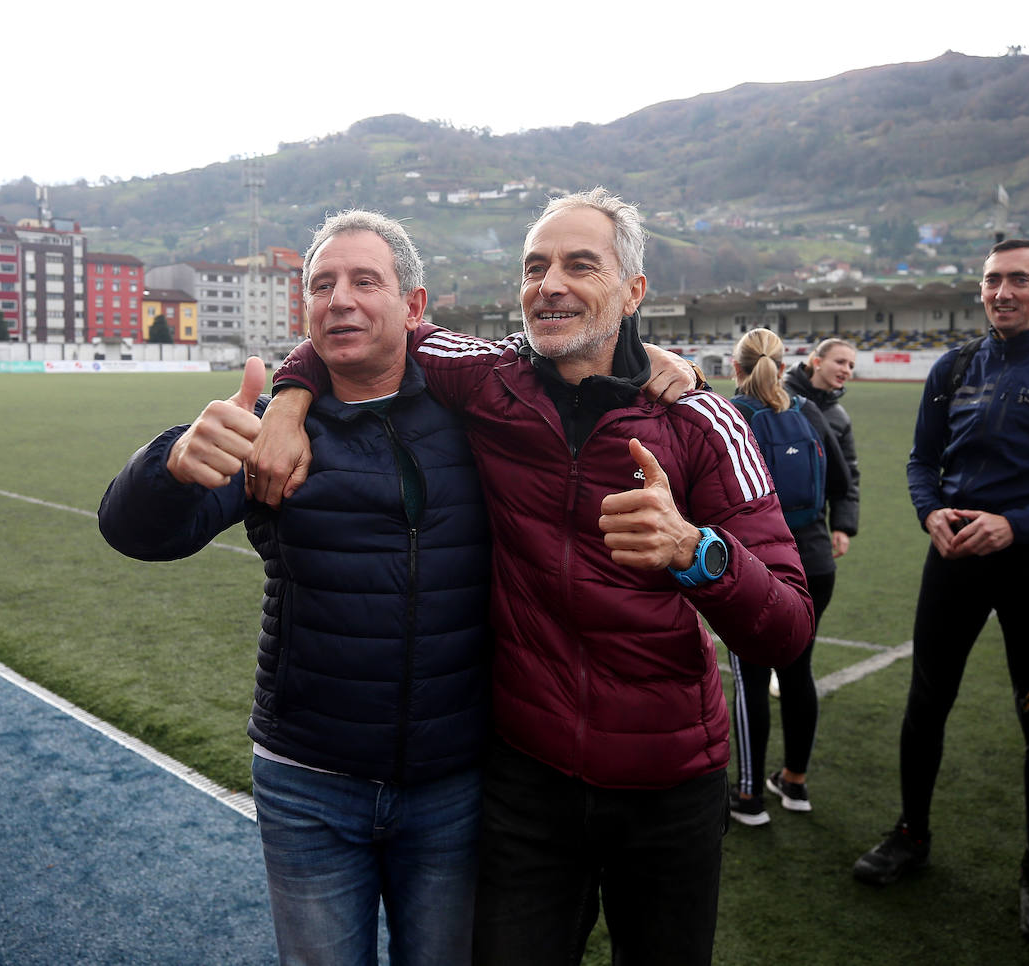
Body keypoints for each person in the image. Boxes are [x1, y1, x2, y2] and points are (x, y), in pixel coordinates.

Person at [260, 187, 814, 966]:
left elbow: (788, 625)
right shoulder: (490, 379)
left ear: (633, 291)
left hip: (667, 784)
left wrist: (695, 550)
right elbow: (363, 328)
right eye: (535, 267)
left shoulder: (704, 422)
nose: (549, 283)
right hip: (528, 783)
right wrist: (288, 400)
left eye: (580, 265)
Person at [98, 210, 496, 966]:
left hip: (455, 785)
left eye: (364, 281)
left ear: (414, 307)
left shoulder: (474, 414)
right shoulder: (268, 430)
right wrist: (172, 465)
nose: (339, 298)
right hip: (309, 784)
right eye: (322, 284)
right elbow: (137, 535)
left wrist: (663, 370)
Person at [853, 238, 1029, 946]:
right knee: (926, 702)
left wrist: (1018, 526)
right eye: (991, 281)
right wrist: (929, 513)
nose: (1002, 292)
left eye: (1018, 279)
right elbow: (923, 461)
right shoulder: (953, 367)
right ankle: (911, 834)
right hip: (953, 559)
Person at [726, 327, 851, 825]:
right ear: (783, 368)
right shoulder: (808, 411)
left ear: (735, 369)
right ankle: (795, 784)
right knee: (798, 671)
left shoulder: (730, 415)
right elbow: (841, 482)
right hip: (814, 563)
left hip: (755, 565)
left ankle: (751, 797)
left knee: (751, 677)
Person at [784, 337, 860, 561]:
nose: (846, 370)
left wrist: (843, 525)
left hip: (812, 524)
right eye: (840, 362)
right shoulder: (778, 396)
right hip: (769, 516)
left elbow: (849, 473)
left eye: (851, 366)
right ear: (817, 361)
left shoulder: (840, 418)